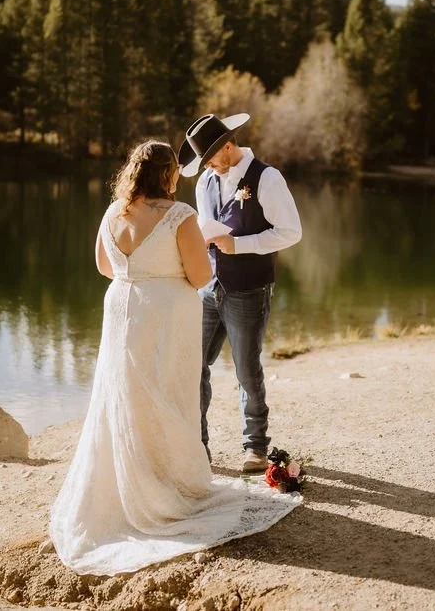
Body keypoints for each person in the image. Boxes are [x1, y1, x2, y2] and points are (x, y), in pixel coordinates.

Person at [49, 141, 300, 576]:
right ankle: (168, 484)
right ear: (168, 175)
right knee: (166, 391)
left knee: (125, 393)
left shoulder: (113, 212)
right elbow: (201, 275)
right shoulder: (179, 215)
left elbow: (104, 266)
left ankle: (129, 480)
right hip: (165, 312)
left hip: (123, 306)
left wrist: (139, 272)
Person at [178, 113, 302, 473]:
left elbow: (291, 232)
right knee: (193, 365)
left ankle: (255, 447)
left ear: (228, 147)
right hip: (208, 287)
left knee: (246, 370)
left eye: (211, 159)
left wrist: (240, 245)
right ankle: (197, 446)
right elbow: (207, 229)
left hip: (249, 289)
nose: (209, 167)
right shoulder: (206, 183)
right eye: (204, 163)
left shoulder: (267, 178)